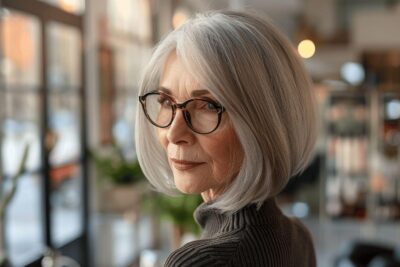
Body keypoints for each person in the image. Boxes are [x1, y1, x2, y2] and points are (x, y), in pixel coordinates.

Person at [135, 10, 318, 267]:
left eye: (208, 106)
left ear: (263, 124)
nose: (174, 134)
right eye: (166, 101)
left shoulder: (198, 262)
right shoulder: (298, 237)